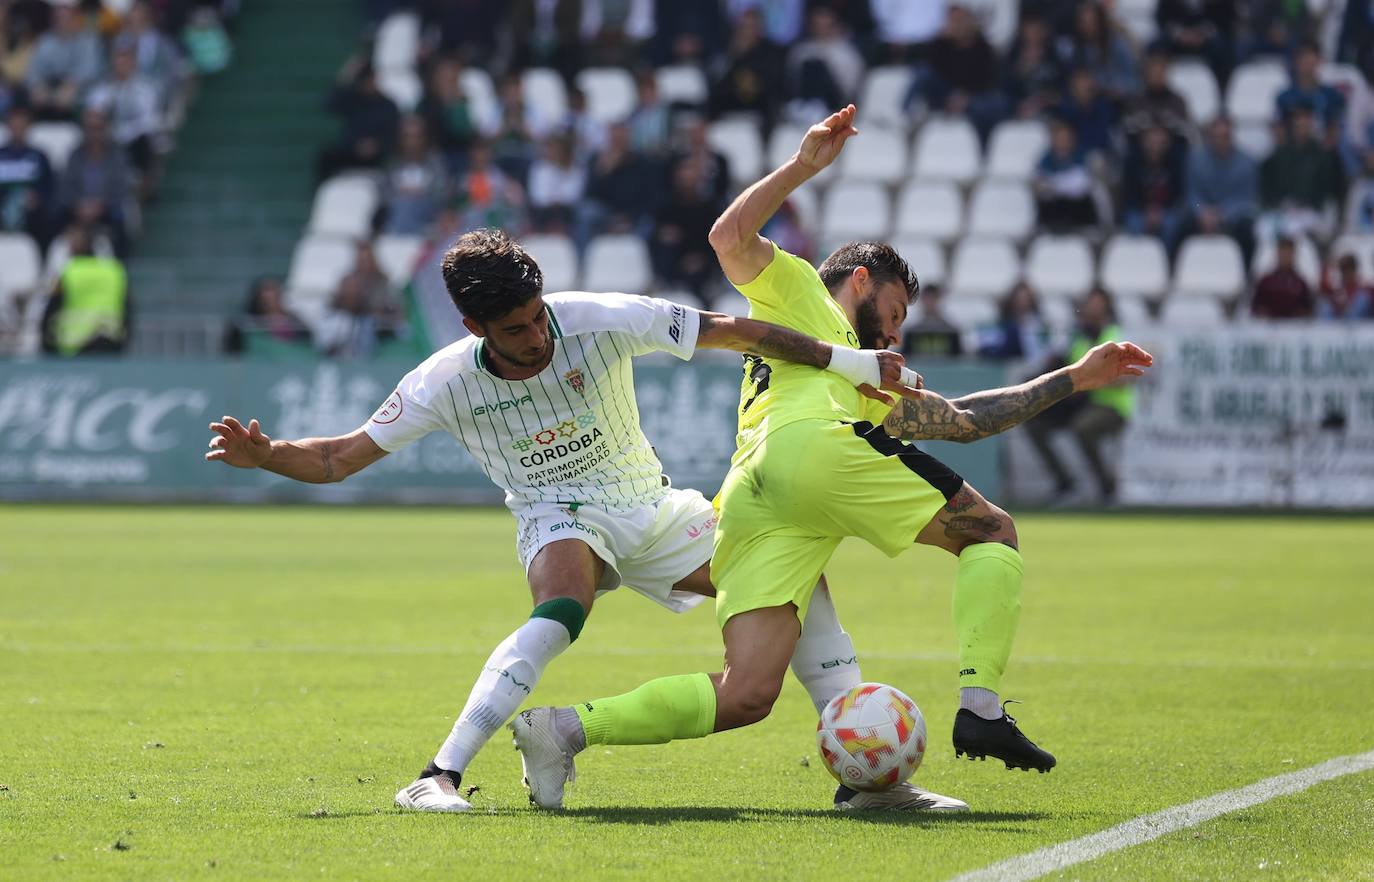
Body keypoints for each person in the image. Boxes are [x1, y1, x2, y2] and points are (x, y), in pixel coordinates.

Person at [511, 106, 1153, 810]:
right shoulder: (800, 292)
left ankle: (564, 729)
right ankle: (982, 708)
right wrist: (802, 167)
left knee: (747, 692)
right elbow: (727, 237)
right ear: (861, 279)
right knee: (991, 531)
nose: (896, 330)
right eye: (896, 310)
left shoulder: (866, 377)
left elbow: (965, 421)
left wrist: (1073, 378)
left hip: (754, 499)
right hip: (811, 448)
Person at [206, 226, 958, 814]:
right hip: (556, 510)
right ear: (473, 325)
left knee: (795, 572)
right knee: (563, 609)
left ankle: (862, 779)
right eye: (514, 330)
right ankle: (437, 775)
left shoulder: (597, 318)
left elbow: (737, 330)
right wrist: (268, 455)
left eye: (538, 318)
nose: (536, 337)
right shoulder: (442, 382)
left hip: (653, 506)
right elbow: (338, 457)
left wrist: (851, 364)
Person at [1025, 287, 1134, 503]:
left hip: (1110, 406)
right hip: (1079, 403)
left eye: (1097, 306)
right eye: (1089, 306)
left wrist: (1095, 380)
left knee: (1083, 428)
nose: (1091, 310)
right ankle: (1064, 483)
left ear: (1107, 309)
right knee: (1034, 424)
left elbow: (1129, 378)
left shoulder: (1117, 336)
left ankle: (1106, 488)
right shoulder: (1076, 337)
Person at [40, 225, 128, 356]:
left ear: (73, 248)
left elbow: (51, 310)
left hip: (73, 346)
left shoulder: (67, 272)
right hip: (111, 343)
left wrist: (47, 344)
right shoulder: (115, 271)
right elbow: (127, 309)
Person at [1180, 117, 1257, 264]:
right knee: (1182, 224)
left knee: (1247, 229)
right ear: (1210, 137)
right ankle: (1176, 269)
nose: (1220, 141)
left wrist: (1222, 214)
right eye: (1216, 137)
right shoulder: (1196, 159)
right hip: (1202, 214)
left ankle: (1246, 271)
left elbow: (1246, 199)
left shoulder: (1247, 162)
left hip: (1233, 217)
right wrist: (1201, 211)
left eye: (1225, 137)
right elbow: (1192, 194)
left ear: (1231, 137)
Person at [24, 4, 103, 120]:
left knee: (95, 98)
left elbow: (91, 70)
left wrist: (73, 85)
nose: (62, 22)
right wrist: (37, 86)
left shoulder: (88, 40)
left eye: (67, 18)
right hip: (49, 88)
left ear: (75, 19)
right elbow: (33, 70)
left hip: (79, 90)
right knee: (27, 98)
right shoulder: (45, 41)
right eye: (58, 18)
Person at [380, 116, 450, 236]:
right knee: (402, 206)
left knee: (407, 206)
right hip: (399, 209)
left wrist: (420, 194)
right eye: (407, 137)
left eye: (417, 137)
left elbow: (442, 193)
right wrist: (403, 195)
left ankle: (400, 238)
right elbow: (384, 193)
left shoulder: (435, 161)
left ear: (424, 138)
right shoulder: (393, 163)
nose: (412, 142)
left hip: (428, 210)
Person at [0, 102, 54, 248]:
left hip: (31, 214)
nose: (18, 128)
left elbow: (48, 187)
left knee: (44, 218)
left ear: (28, 127)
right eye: (14, 124)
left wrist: (37, 198)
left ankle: (41, 258)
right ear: (8, 126)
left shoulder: (39, 156)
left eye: (22, 124)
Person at [1033, 118, 1098, 229]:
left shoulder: (1081, 156)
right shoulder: (1046, 159)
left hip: (1078, 206)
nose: (1062, 142)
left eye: (1065, 138)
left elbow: (1082, 184)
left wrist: (1056, 183)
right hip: (1055, 207)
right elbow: (1040, 183)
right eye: (1059, 138)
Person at [223, 275, 310, 355]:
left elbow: (306, 343)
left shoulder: (295, 321)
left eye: (273, 290)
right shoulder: (244, 323)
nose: (270, 296)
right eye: (266, 290)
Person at [978, 282, 1050, 362]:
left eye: (1025, 299)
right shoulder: (1005, 324)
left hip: (1032, 362)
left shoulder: (1038, 323)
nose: (1022, 303)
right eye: (1019, 299)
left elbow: (1042, 349)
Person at [1251, 235, 1315, 319]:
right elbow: (1256, 308)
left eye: (1289, 254)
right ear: (1278, 254)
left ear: (1293, 255)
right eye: (1283, 253)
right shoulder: (1266, 282)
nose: (1286, 257)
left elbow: (1308, 310)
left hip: (1294, 325)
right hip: (1269, 325)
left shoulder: (1301, 283)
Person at [901, 285, 962, 359]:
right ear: (922, 301)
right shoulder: (911, 332)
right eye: (927, 299)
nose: (930, 302)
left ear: (939, 300)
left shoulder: (951, 332)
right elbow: (904, 358)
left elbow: (959, 359)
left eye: (933, 298)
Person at [1317, 254, 1374, 320]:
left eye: (1349, 269)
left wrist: (1348, 304)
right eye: (1343, 270)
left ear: (1354, 270)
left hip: (1359, 321)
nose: (1346, 273)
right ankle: (1325, 326)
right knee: (1325, 304)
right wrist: (1337, 305)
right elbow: (1322, 289)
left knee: (1362, 299)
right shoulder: (1337, 290)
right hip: (1338, 319)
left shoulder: (1364, 287)